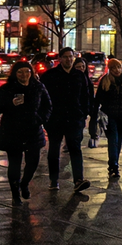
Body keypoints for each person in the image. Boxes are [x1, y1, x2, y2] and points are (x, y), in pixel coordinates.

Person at [0, 60, 49, 201]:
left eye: (27, 71)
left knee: (33, 162)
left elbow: (47, 106)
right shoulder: (7, 89)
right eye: (20, 72)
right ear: (15, 74)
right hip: (13, 131)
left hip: (33, 131)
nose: (24, 74)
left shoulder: (38, 87)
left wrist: (39, 119)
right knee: (15, 164)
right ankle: (15, 192)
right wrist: (10, 104)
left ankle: (24, 183)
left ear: (32, 72)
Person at [40, 47, 92, 193]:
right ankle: (54, 179)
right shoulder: (50, 75)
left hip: (74, 118)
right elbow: (43, 96)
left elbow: (86, 96)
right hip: (55, 119)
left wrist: (84, 113)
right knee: (54, 149)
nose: (69, 59)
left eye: (71, 57)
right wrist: (46, 115)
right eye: (66, 57)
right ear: (60, 59)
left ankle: (78, 179)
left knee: (75, 148)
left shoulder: (79, 76)